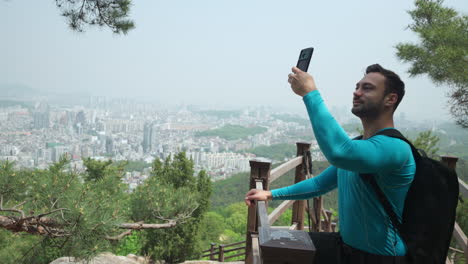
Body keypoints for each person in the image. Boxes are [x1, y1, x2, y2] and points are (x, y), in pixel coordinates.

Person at [245, 64, 415, 264]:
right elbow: (319, 184)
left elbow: (339, 152)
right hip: (345, 246)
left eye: (367, 88)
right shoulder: (361, 146)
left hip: (381, 257)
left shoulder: (394, 148)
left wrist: (310, 93)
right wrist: (271, 194)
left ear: (391, 99)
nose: (357, 92)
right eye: (357, 86)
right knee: (273, 249)